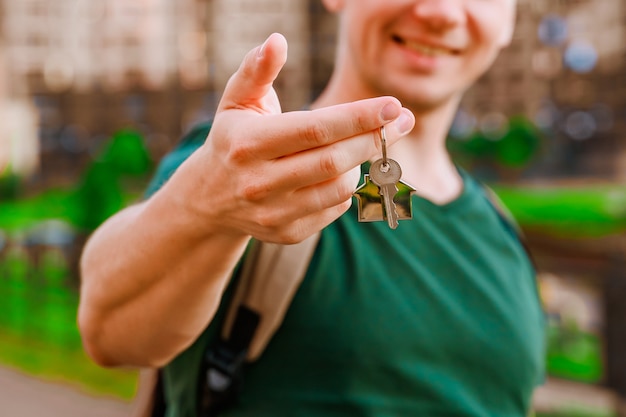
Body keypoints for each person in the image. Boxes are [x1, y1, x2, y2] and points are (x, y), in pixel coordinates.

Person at [78, 0, 545, 416]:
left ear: (509, 18)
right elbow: (108, 328)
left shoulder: (498, 226)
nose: (441, 11)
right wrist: (201, 206)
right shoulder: (246, 167)